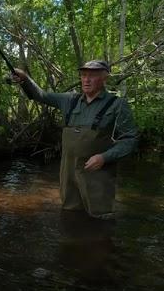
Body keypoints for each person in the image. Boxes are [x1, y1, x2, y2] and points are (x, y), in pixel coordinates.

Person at [12, 60, 138, 219]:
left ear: (105, 78)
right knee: (70, 216)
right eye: (84, 75)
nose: (86, 80)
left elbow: (130, 140)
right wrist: (24, 79)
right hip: (69, 173)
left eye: (92, 76)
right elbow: (41, 95)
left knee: (100, 221)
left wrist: (104, 157)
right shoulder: (69, 100)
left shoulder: (117, 105)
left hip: (97, 176)